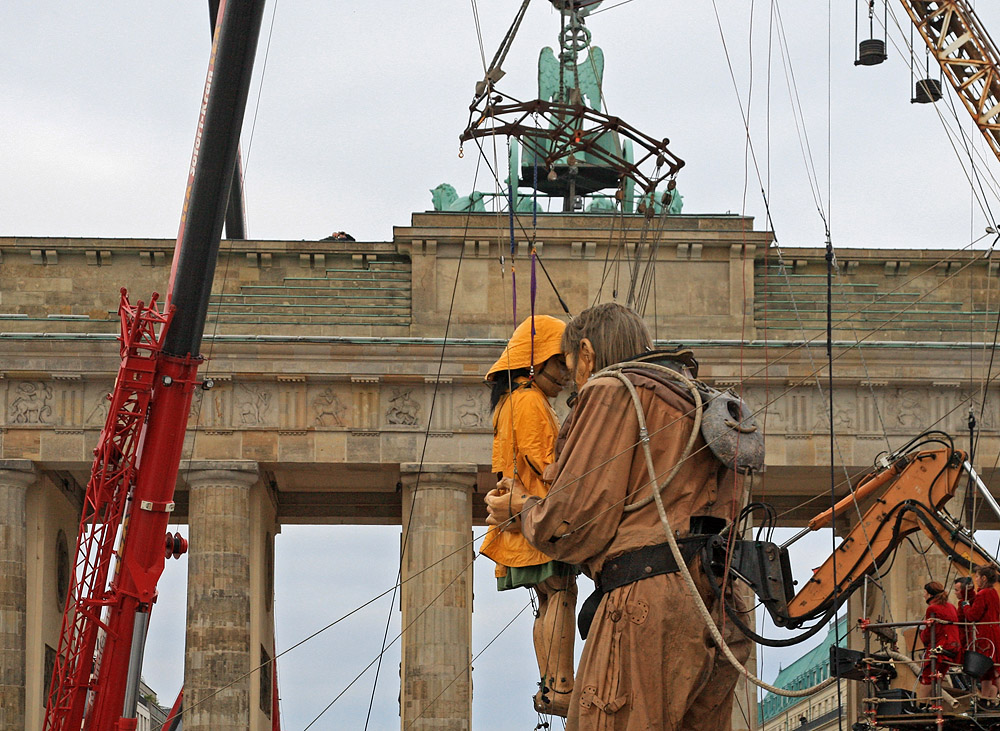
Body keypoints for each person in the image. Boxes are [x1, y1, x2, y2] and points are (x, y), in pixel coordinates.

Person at [485, 302, 752, 730]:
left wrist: (520, 507)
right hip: (722, 607)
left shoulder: (614, 391)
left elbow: (572, 524)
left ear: (587, 354)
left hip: (646, 601)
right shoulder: (700, 400)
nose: (573, 382)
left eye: (573, 367)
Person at [479, 314, 578, 717]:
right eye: (560, 365)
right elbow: (547, 465)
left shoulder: (508, 402)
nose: (566, 377)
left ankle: (551, 684)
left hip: (517, 519)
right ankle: (562, 684)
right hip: (537, 515)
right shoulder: (530, 401)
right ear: (535, 361)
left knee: (547, 598)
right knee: (561, 594)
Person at [916, 581, 961, 701]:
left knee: (927, 677)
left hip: (940, 647)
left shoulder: (932, 608)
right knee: (937, 678)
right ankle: (933, 705)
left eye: (925, 593)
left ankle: (921, 707)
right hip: (952, 647)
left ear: (930, 594)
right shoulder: (951, 606)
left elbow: (931, 632)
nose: (923, 595)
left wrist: (922, 635)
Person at [965, 565, 1000, 699]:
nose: (976, 579)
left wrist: (966, 606)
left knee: (988, 669)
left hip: (985, 635)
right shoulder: (993, 592)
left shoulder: (983, 594)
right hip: (995, 632)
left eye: (978, 576)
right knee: (991, 670)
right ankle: (987, 698)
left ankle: (987, 699)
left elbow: (973, 615)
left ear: (984, 578)